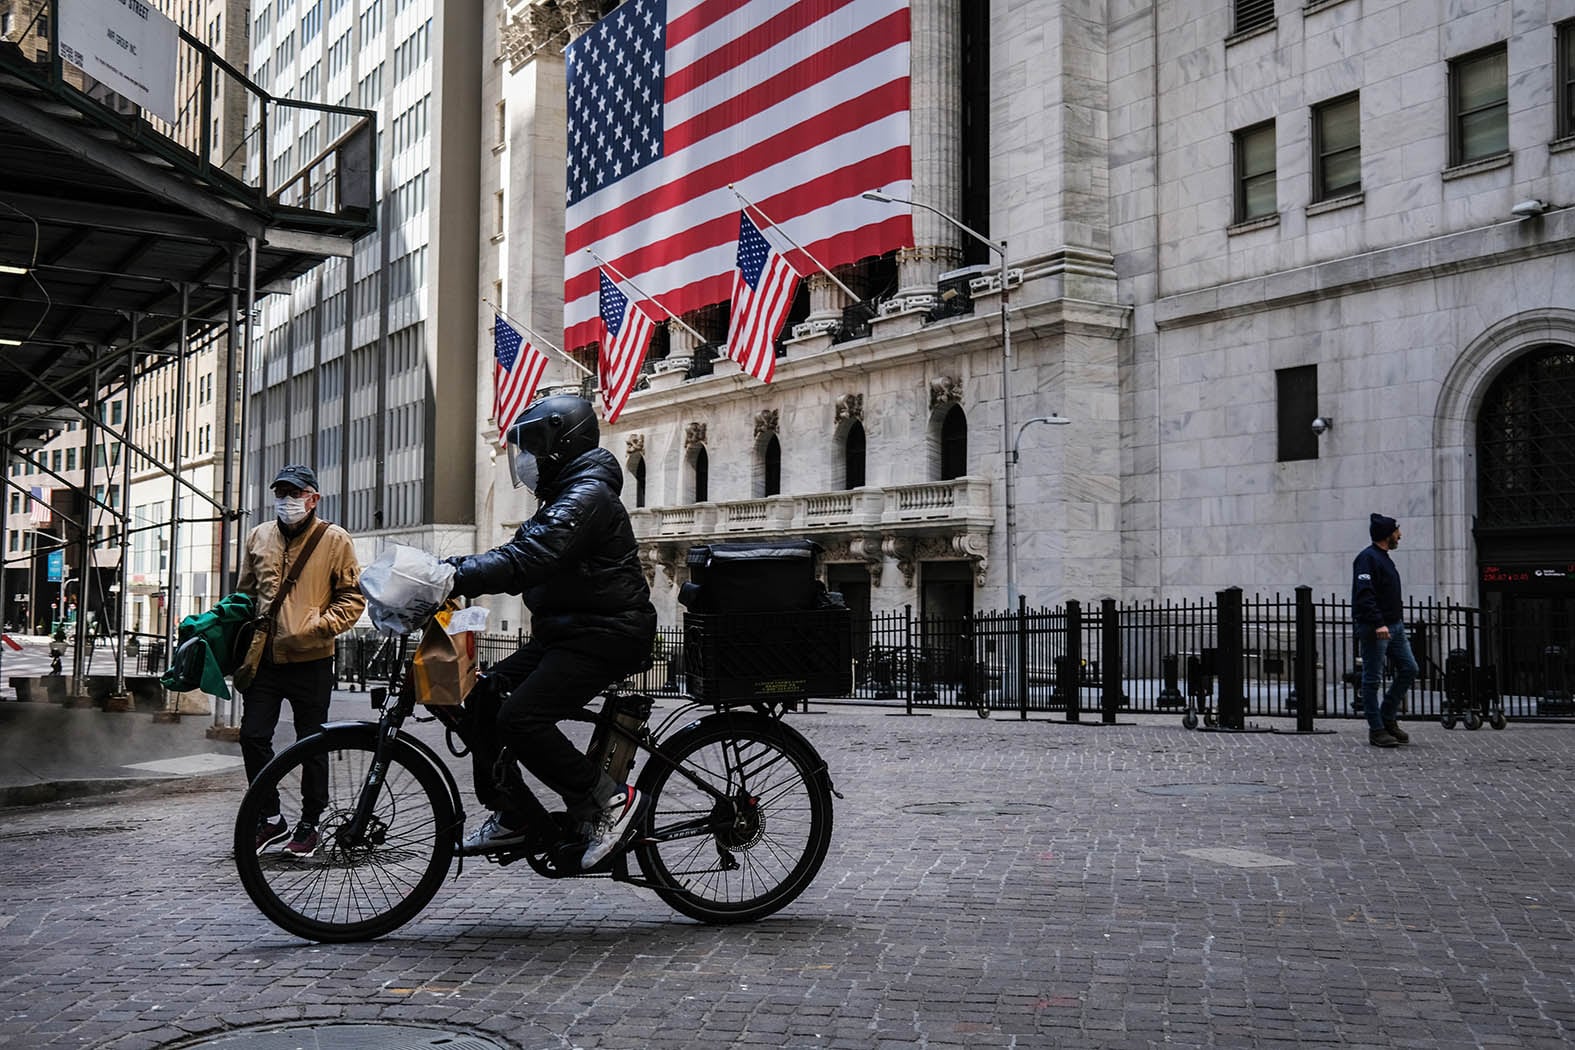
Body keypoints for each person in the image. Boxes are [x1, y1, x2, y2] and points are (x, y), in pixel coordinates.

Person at [445, 395, 657, 869]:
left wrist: (451, 575)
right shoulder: (563, 495)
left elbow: (529, 558)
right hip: (568, 630)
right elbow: (515, 552)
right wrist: (450, 569)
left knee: (521, 718)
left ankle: (609, 799)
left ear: (563, 443)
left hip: (606, 633)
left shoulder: (587, 496)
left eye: (535, 446)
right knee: (485, 696)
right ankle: (513, 814)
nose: (528, 458)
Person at [239, 465, 366, 857]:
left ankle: (311, 821)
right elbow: (245, 596)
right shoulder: (258, 535)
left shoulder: (335, 539)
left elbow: (353, 598)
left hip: (312, 659)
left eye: (295, 494)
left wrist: (316, 627)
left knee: (313, 743)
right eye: (281, 493)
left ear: (313, 498)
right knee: (252, 736)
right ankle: (271, 817)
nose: (287, 501)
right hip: (265, 658)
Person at [1352, 513, 1417, 748]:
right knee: (1372, 679)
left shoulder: (1384, 558)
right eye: (1397, 531)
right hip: (1376, 627)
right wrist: (1378, 622)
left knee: (1410, 668)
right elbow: (1365, 594)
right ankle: (1377, 729)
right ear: (1387, 535)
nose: (1400, 535)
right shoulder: (1367, 559)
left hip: (1395, 625)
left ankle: (1387, 716)